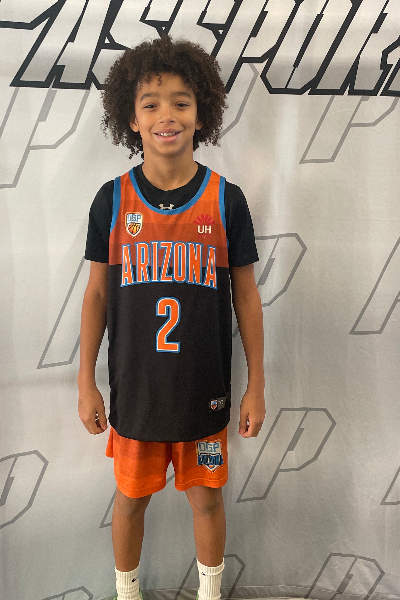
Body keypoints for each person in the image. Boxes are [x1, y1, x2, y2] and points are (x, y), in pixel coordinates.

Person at [78, 35, 265, 600]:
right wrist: (84, 380)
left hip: (202, 390)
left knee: (207, 498)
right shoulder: (112, 201)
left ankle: (210, 594)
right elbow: (96, 296)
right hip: (136, 390)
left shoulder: (226, 200)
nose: (167, 115)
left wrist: (257, 385)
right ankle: (127, 593)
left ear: (201, 114)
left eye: (181, 102)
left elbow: (246, 297)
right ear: (131, 118)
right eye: (151, 103)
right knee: (130, 499)